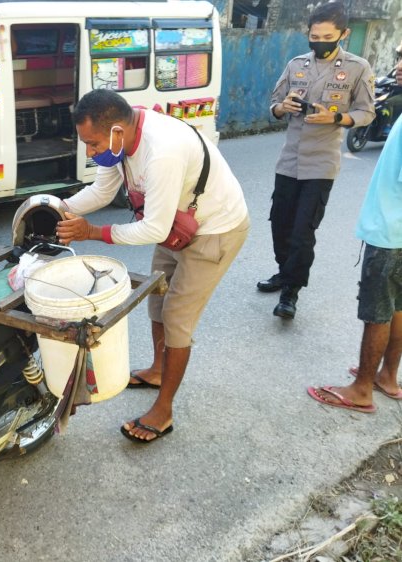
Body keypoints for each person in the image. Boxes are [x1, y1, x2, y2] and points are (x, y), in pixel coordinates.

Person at [55, 89, 249, 443]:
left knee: (177, 317)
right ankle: (159, 370)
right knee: (158, 299)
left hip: (215, 229)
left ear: (116, 130)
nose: (90, 151)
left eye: (93, 143)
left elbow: (153, 229)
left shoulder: (162, 153)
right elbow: (100, 193)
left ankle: (164, 410)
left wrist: (92, 232)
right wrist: (58, 208)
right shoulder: (120, 143)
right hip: (176, 225)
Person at [257, 1, 375, 319]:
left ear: (343, 34)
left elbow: (367, 112)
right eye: (314, 34)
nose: (319, 40)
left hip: (321, 164)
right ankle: (285, 271)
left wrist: (337, 118)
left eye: (327, 35)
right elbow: (274, 101)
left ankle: (291, 291)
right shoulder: (296, 64)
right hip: (288, 161)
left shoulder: (357, 67)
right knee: (279, 224)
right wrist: (284, 107)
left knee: (302, 232)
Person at [307, 61, 402, 414]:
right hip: (393, 232)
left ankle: (362, 388)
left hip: (391, 234)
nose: (400, 67)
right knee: (396, 308)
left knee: (377, 311)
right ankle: (387, 376)